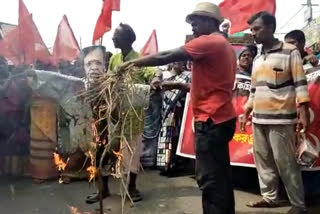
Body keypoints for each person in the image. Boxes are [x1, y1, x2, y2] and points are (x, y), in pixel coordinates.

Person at [120, 3, 237, 214]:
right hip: (221, 117)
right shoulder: (224, 44)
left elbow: (166, 56)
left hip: (211, 119)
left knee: (209, 178)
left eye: (196, 21)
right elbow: (213, 83)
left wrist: (132, 64)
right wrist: (177, 85)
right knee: (220, 176)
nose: (192, 26)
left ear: (210, 22)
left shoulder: (209, 42)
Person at [241, 11, 310, 214]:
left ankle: (298, 205)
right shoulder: (257, 58)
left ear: (270, 28)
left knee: (286, 163)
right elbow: (253, 89)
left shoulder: (290, 52)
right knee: (263, 161)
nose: (253, 33)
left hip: (281, 119)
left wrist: (303, 112)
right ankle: (270, 198)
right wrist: (247, 110)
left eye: (257, 29)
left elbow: (300, 84)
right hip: (258, 119)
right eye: (251, 29)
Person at [156, 61, 191, 175]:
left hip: (179, 112)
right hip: (165, 111)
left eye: (181, 61)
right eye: (175, 60)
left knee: (176, 139)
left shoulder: (188, 75)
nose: (177, 63)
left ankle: (173, 164)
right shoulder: (163, 74)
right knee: (166, 137)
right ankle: (164, 164)